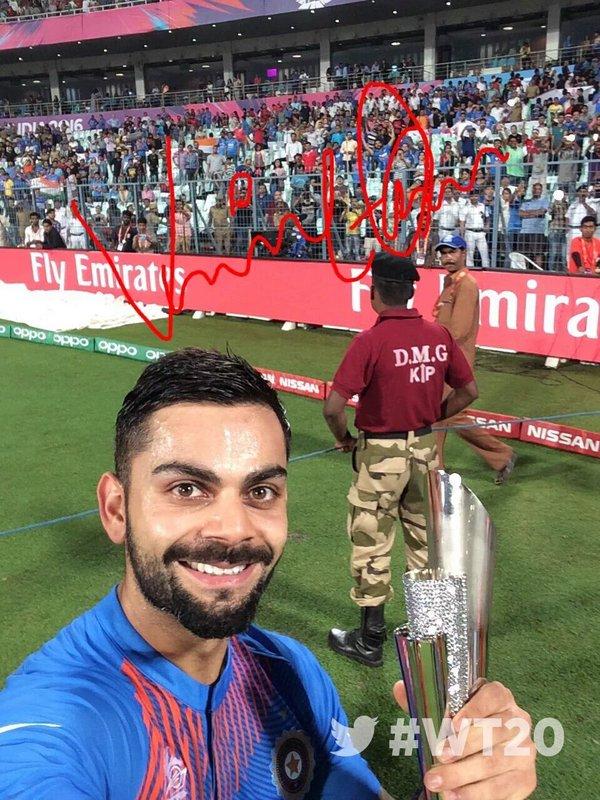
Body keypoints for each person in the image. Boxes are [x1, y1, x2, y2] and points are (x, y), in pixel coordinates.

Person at [0, 349, 537, 800]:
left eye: (261, 491)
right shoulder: (53, 728)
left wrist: (464, 781)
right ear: (116, 510)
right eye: (187, 489)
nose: (234, 530)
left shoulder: (294, 671)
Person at [324, 255, 478, 667]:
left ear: (375, 293)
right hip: (425, 453)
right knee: (425, 542)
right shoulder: (438, 335)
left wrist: (344, 440)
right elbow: (468, 392)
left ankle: (370, 640)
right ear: (411, 292)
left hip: (380, 455)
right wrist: (429, 419)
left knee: (372, 541)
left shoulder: (369, 341)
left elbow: (333, 407)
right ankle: (433, 637)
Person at [433, 235, 518, 483]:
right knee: (442, 415)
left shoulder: (466, 285)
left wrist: (430, 341)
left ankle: (500, 455)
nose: (447, 257)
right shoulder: (450, 282)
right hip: (445, 358)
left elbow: (457, 330)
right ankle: (499, 457)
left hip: (454, 360)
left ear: (463, 253)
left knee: (444, 413)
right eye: (443, 253)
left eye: (452, 252)